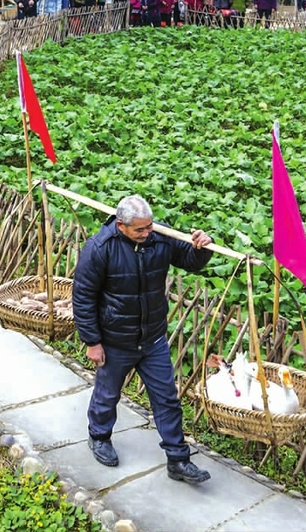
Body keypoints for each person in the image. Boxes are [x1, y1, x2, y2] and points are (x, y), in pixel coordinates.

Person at [72, 195, 214, 485]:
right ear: (122, 226)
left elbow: (189, 260)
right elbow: (83, 296)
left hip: (152, 338)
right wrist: (92, 341)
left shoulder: (159, 237)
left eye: (150, 226)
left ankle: (178, 459)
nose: (147, 233)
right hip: (115, 338)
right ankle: (99, 437)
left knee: (167, 399)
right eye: (140, 230)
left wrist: (200, 248)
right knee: (108, 394)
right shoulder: (101, 247)